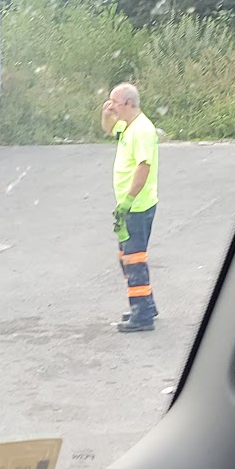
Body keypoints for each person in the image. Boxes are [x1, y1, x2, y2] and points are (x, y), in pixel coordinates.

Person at [100, 82, 159, 333]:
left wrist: (128, 200)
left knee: (134, 260)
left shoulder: (142, 130)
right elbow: (108, 130)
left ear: (128, 103)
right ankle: (146, 305)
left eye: (114, 102)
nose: (111, 105)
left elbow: (144, 167)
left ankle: (142, 316)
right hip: (129, 207)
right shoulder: (127, 125)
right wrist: (106, 115)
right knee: (126, 258)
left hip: (137, 206)